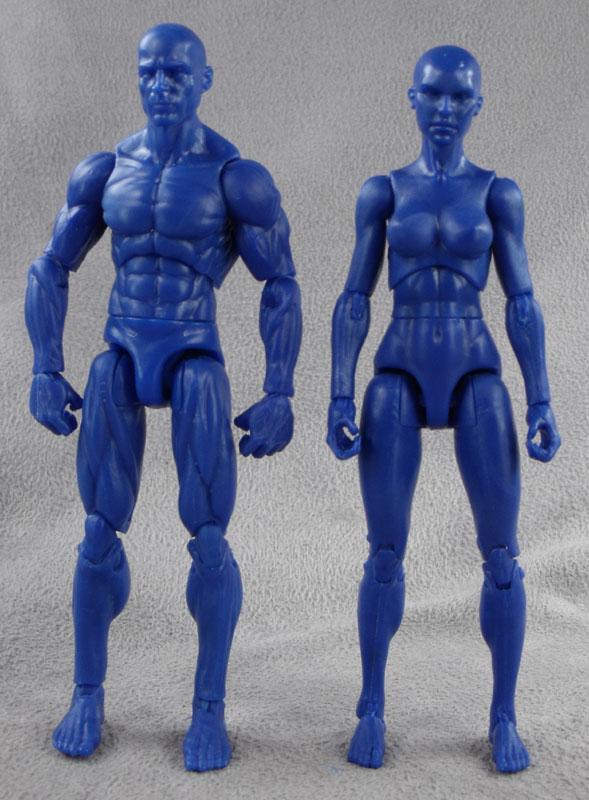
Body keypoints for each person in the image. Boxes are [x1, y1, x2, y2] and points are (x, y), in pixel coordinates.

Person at [25, 23, 301, 772]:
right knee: (95, 534)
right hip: (119, 352)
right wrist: (44, 368)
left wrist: (279, 390)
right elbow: (50, 267)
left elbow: (280, 284)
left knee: (208, 537)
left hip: (194, 357)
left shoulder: (234, 176)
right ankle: (88, 692)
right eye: (149, 71)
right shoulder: (106, 169)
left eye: (177, 73)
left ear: (204, 80)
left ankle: (208, 707)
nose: (161, 85)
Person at [327, 45, 560, 773]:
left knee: (502, 557)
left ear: (477, 105)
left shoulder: (496, 194)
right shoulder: (382, 192)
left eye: (460, 97)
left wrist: (541, 396)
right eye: (433, 94)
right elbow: (354, 296)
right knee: (383, 555)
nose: (445, 109)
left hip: (475, 370)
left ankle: (503, 713)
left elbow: (521, 300)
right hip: (396, 369)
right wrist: (338, 390)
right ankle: (370, 703)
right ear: (412, 98)